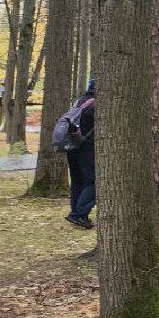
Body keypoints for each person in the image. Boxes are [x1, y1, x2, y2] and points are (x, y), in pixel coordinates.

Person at [64, 82, 96, 230]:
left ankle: (75, 212)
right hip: (87, 148)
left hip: (72, 146)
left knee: (77, 181)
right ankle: (80, 214)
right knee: (93, 182)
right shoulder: (96, 106)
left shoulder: (79, 102)